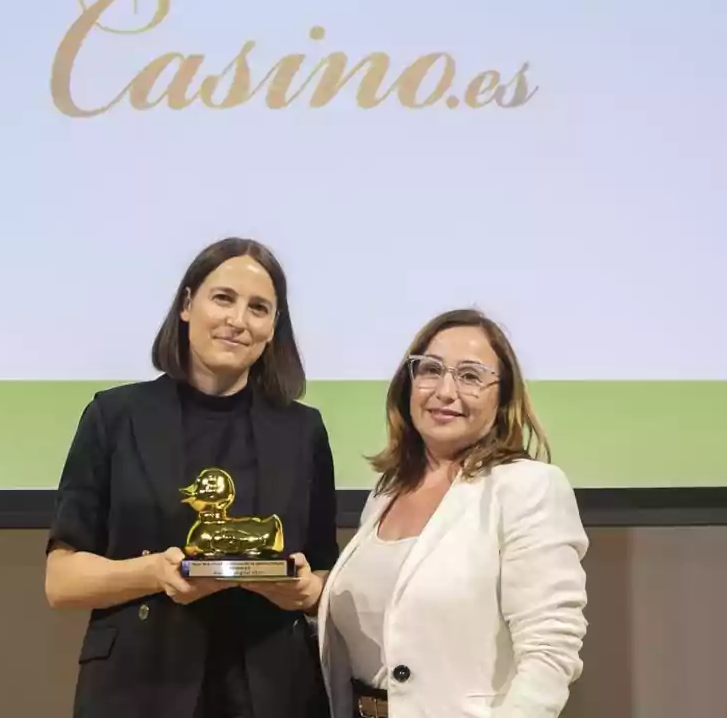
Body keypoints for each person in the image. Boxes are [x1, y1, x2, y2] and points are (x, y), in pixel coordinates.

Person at [44, 237, 339, 718]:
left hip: (273, 690)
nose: (237, 320)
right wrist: (155, 572)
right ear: (186, 304)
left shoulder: (303, 430)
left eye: (258, 308)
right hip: (137, 687)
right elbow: (61, 581)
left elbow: (325, 571)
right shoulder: (114, 417)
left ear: (273, 327)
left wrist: (307, 591)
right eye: (223, 298)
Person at [316, 308, 589, 718]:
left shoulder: (528, 487)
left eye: (471, 376)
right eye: (431, 370)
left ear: (503, 398)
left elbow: (550, 654)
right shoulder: (386, 491)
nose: (445, 391)